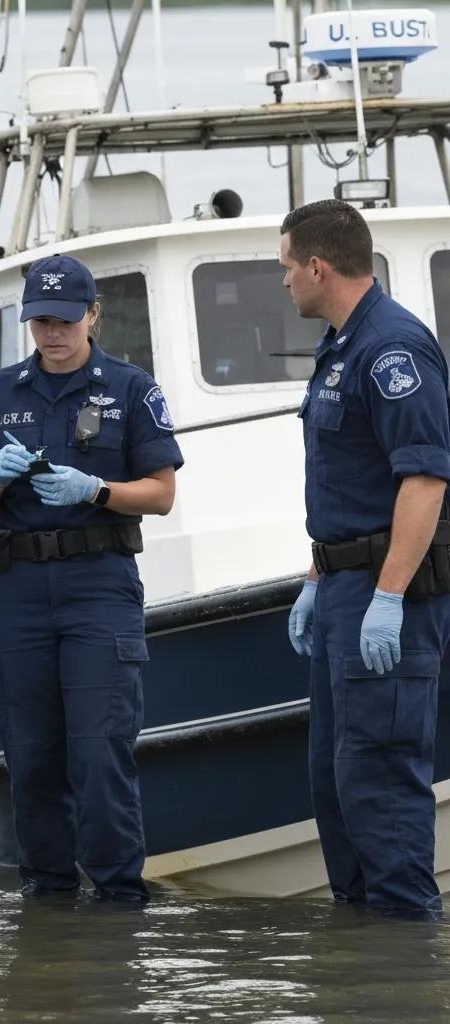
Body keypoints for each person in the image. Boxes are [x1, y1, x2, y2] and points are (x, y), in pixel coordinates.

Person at [0, 254, 183, 900]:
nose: (51, 333)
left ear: (93, 316)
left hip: (97, 583)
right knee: (31, 758)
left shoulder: (131, 389)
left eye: (63, 320)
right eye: (39, 321)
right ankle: (47, 908)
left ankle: (117, 901)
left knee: (99, 753)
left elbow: (161, 493)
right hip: (19, 587)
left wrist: (98, 489)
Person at [282, 199, 450, 915]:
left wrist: (386, 596)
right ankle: (361, 974)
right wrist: (318, 577)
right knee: (337, 781)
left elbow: (425, 476)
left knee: (379, 778)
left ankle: (407, 969)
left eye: (286, 268)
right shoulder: (342, 344)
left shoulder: (390, 349)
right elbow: (353, 481)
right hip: (345, 585)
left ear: (318, 266)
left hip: (391, 595)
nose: (284, 281)